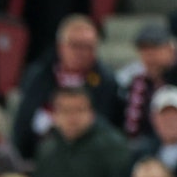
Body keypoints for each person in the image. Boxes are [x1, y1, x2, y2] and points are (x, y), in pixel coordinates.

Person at [12, 14, 119, 160]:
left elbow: (107, 126)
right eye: (75, 45)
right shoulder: (39, 75)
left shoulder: (105, 82)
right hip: (38, 153)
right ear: (60, 46)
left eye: (88, 47)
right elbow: (23, 121)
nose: (82, 53)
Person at [33, 86, 131, 177]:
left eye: (79, 110)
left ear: (92, 114)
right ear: (54, 116)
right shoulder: (47, 149)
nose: (72, 118)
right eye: (65, 111)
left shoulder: (111, 146)